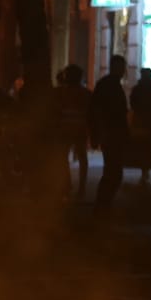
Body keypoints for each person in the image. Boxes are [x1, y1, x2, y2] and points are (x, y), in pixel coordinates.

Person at [90, 55, 130, 216]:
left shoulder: (109, 84)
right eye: (121, 67)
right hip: (111, 133)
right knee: (113, 172)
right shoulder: (109, 85)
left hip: (113, 133)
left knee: (113, 171)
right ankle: (102, 205)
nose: (123, 70)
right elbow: (97, 111)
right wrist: (99, 133)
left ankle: (103, 204)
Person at [51, 64, 93, 199]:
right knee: (82, 158)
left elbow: (55, 112)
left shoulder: (59, 93)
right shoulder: (86, 94)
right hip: (80, 129)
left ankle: (66, 185)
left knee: (63, 158)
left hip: (64, 129)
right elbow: (91, 114)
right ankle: (81, 188)